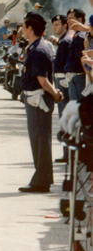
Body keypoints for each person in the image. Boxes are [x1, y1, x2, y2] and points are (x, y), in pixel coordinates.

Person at [18, 12, 63, 193]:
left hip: (38, 100)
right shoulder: (39, 47)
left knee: (40, 141)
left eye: (23, 26)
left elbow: (43, 81)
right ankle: (41, 179)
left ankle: (41, 181)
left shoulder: (38, 50)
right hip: (35, 99)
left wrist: (55, 94)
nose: (21, 29)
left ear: (30, 29)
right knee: (39, 140)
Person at [51, 14, 71, 163]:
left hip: (62, 79)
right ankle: (67, 153)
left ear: (65, 25)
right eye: (54, 24)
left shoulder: (65, 41)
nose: (54, 27)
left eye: (57, 24)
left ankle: (67, 153)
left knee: (64, 116)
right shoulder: (64, 40)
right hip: (61, 78)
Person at [65, 8, 87, 102]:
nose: (68, 21)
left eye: (71, 18)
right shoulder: (77, 35)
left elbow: (82, 59)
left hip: (78, 78)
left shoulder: (80, 36)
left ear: (79, 20)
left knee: (77, 107)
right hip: (76, 77)